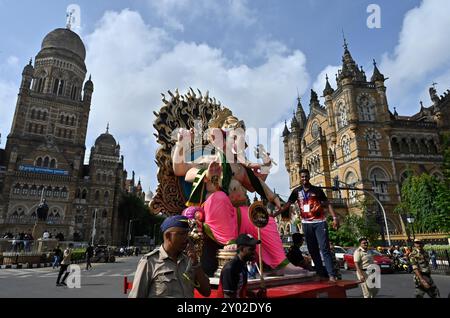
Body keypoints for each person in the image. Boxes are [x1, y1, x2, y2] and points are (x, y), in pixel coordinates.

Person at [276, 168, 339, 282]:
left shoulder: (317, 190)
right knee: (313, 250)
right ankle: (320, 273)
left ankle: (331, 275)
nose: (304, 178)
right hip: (306, 224)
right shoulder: (296, 191)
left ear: (309, 177)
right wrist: (274, 214)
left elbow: (327, 203)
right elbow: (287, 205)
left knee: (324, 249)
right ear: (300, 178)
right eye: (302, 177)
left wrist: (335, 218)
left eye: (306, 176)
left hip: (319, 222)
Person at [128, 215, 210, 298]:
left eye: (187, 234)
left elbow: (206, 292)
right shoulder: (150, 262)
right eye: (182, 234)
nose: (186, 238)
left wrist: (195, 263)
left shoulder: (189, 260)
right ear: (168, 236)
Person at [218, 233, 260, 298]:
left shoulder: (243, 265)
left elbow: (239, 289)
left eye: (254, 249)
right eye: (251, 249)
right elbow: (228, 296)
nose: (254, 252)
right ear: (242, 249)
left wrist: (255, 295)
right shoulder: (230, 268)